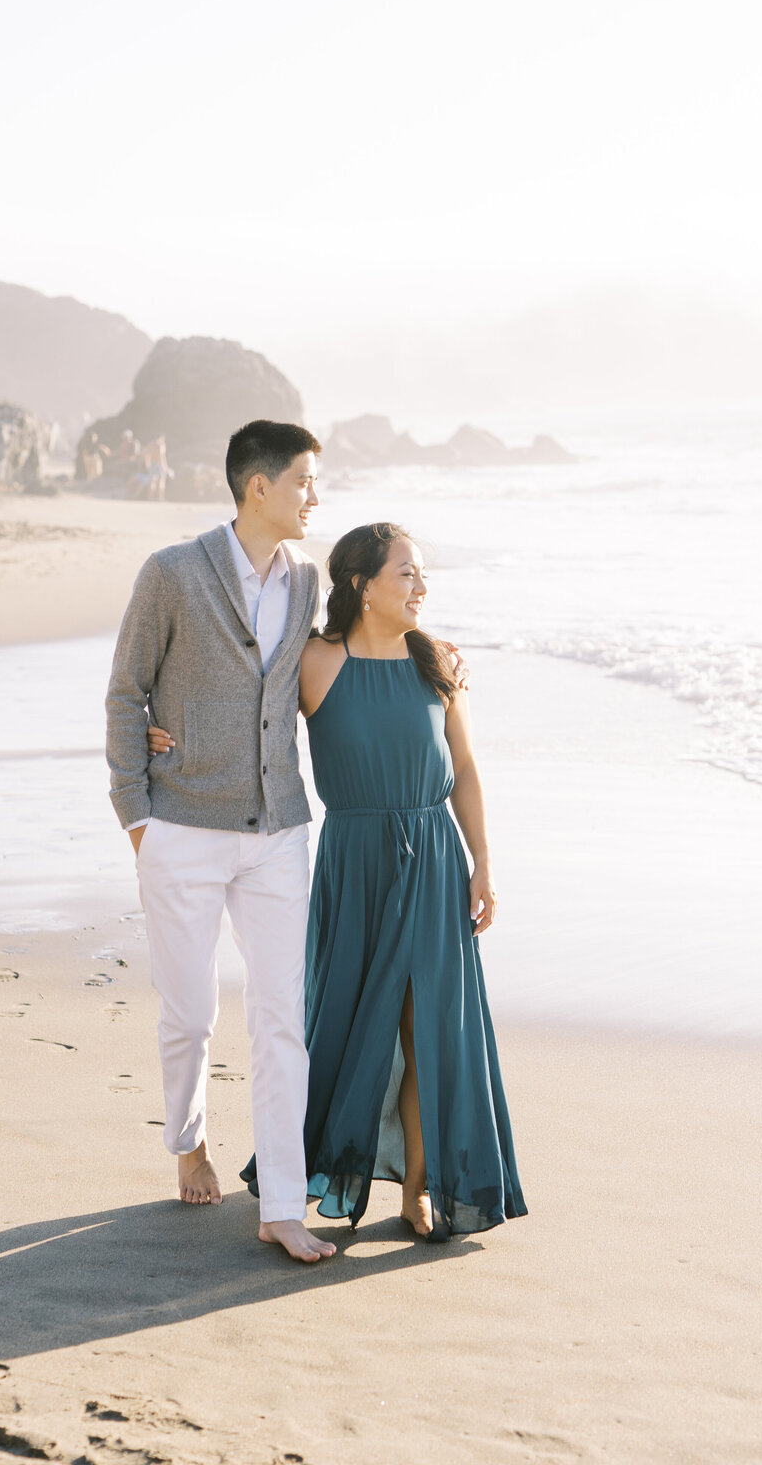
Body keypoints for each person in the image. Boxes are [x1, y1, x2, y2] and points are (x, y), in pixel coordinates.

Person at [240, 522, 526, 1239]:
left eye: (422, 574)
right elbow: (243, 720)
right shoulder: (314, 662)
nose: (421, 587)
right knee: (345, 1020)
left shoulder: (434, 661)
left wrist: (483, 860)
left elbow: (463, 770)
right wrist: (162, 736)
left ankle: (419, 1190)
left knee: (426, 1026)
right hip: (356, 858)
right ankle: (315, 1164)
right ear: (363, 586)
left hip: (433, 859)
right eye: (407, 574)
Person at [105, 418, 336, 1265]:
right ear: (258, 487)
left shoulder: (308, 580)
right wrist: (137, 814)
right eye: (306, 481)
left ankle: (280, 1202)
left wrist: (433, 656)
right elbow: (126, 693)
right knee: (191, 1012)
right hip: (181, 829)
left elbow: (346, 653)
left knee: (282, 1018)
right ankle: (189, 1141)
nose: (317, 496)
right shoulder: (172, 574)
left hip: (279, 831)